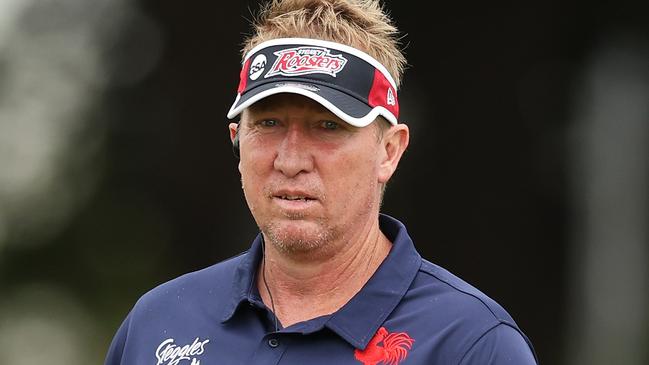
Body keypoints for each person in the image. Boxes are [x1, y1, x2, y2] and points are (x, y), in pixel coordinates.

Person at [105, 0, 539, 364]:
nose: (291, 160)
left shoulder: (472, 344)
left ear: (389, 151)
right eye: (269, 123)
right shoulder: (158, 324)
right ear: (237, 140)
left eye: (328, 127)